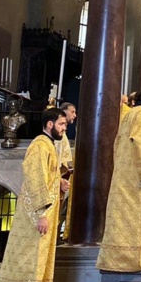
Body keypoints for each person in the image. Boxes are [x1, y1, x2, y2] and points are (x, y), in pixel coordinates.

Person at [0, 108, 70, 282]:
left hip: (43, 214)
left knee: (39, 259)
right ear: (50, 124)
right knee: (28, 259)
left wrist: (59, 181)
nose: (65, 128)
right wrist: (40, 214)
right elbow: (34, 180)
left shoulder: (49, 146)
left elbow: (47, 176)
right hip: (35, 216)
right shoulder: (39, 145)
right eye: (62, 124)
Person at [97, 86, 141, 272]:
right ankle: (131, 260)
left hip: (124, 172)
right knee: (134, 215)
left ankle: (115, 259)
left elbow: (117, 142)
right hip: (135, 176)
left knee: (122, 215)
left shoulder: (129, 114)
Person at [57, 102, 77, 243]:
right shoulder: (57, 136)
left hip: (63, 177)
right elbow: (56, 159)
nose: (75, 115)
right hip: (58, 178)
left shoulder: (62, 135)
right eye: (72, 112)